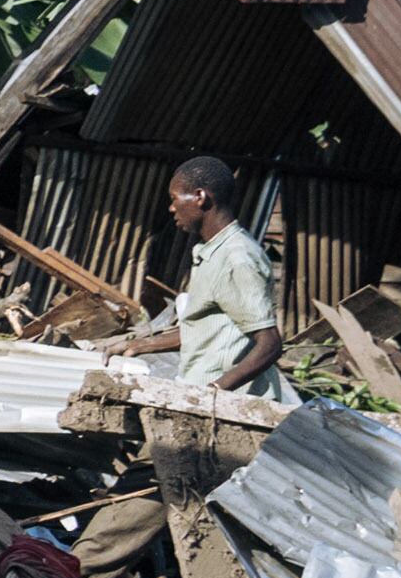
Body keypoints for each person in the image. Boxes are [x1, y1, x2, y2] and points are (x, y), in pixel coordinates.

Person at [107, 151, 285, 401]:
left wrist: (214, 390)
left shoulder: (236, 258)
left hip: (230, 408)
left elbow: (269, 343)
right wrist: (140, 345)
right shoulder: (212, 252)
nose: (171, 208)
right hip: (201, 398)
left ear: (200, 197)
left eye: (174, 198)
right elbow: (203, 330)